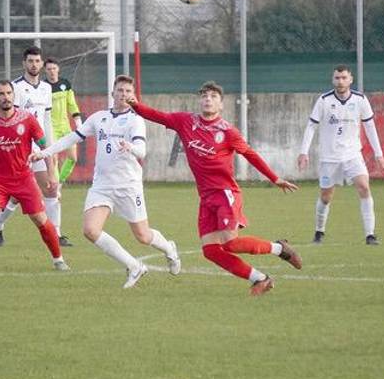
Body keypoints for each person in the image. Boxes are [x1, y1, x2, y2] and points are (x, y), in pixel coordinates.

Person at [125, 81, 302, 296]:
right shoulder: (185, 121)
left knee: (231, 243)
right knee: (210, 251)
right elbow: (156, 115)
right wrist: (136, 105)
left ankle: (279, 248)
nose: (208, 99)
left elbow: (250, 155)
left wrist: (275, 178)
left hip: (225, 193)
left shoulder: (228, 131)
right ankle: (260, 279)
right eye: (205, 95)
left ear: (221, 104)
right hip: (206, 197)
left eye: (213, 96)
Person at [30, 75, 180, 288]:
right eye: (120, 90)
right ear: (113, 93)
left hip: (128, 185)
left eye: (128, 91)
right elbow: (72, 138)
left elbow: (142, 149)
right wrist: (45, 153)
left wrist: (131, 147)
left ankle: (169, 249)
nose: (123, 95)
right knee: (90, 230)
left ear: (133, 95)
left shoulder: (135, 120)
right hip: (102, 185)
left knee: (143, 236)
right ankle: (134, 266)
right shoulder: (99, 117)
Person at [0, 80, 65, 272]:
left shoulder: (27, 119)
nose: (5, 97)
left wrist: (51, 173)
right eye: (1, 94)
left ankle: (58, 259)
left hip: (23, 179)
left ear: (14, 95)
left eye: (8, 93)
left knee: (40, 219)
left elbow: (45, 147)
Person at [0, 46, 73, 248]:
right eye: (30, 61)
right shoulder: (15, 87)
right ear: (24, 63)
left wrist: (51, 150)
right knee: (15, 195)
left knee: (51, 188)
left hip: (39, 148)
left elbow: (46, 121)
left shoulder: (46, 88)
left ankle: (56, 233)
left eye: (37, 61)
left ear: (42, 64)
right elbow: (10, 118)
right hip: (19, 150)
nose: (34, 65)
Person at [297, 64, 384, 245]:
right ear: (333, 79)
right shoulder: (323, 100)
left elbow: (369, 126)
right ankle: (319, 231)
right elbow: (312, 126)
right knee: (326, 196)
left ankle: (370, 234)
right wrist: (303, 152)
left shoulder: (360, 100)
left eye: (344, 77)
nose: (340, 81)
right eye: (337, 78)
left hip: (353, 154)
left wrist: (378, 152)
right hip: (329, 157)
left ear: (350, 79)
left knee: (364, 186)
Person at [44, 57, 83, 183]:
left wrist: (78, 122)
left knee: (73, 158)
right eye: (49, 69)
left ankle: (60, 182)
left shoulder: (65, 84)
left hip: (65, 126)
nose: (52, 71)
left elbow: (71, 104)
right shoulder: (43, 87)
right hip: (51, 127)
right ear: (45, 70)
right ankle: (55, 188)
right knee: (53, 159)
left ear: (58, 69)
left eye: (54, 68)